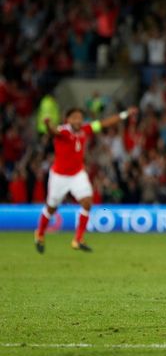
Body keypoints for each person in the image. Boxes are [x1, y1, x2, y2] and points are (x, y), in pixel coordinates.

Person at [35, 106, 138, 253]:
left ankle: (78, 239)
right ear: (68, 120)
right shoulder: (63, 131)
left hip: (77, 174)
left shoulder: (85, 129)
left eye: (80, 117)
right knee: (51, 207)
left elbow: (105, 123)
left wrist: (125, 114)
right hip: (60, 176)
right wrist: (47, 125)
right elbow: (53, 132)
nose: (78, 120)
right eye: (74, 117)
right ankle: (40, 233)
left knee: (87, 202)